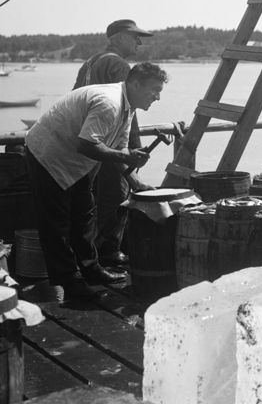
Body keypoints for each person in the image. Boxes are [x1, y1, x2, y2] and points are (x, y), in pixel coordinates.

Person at [25, 62, 168, 300]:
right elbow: (87, 144)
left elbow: (118, 147)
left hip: (74, 158)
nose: (158, 97)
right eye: (154, 90)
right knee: (57, 223)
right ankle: (70, 282)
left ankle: (92, 270)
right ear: (134, 84)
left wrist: (135, 183)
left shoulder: (127, 105)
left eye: (160, 91)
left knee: (83, 214)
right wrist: (125, 157)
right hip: (47, 154)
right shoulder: (110, 103)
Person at [73, 19, 154, 266]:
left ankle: (93, 255)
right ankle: (109, 253)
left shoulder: (90, 62)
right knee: (117, 195)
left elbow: (77, 98)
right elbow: (127, 108)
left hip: (90, 141)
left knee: (92, 200)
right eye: (134, 37)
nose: (139, 42)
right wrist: (130, 149)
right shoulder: (118, 64)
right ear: (117, 38)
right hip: (111, 143)